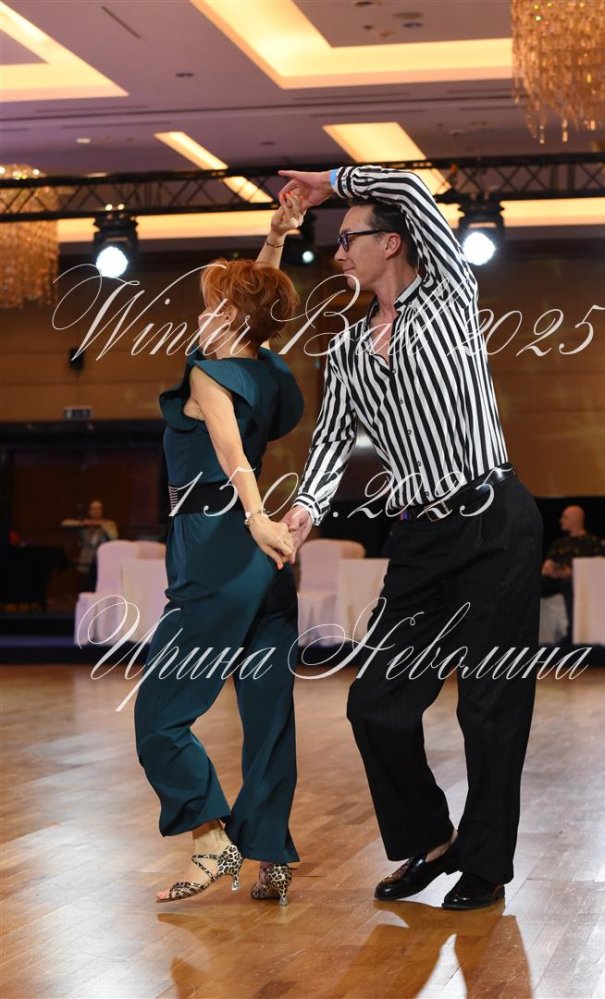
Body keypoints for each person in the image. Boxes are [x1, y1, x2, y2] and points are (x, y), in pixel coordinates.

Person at [279, 165, 543, 910]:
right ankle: (432, 841)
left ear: (391, 241)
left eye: (348, 239)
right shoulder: (347, 350)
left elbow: (411, 188)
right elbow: (331, 443)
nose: (337, 253)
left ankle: (485, 865)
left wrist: (332, 181)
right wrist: (304, 511)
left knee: (489, 705)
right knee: (376, 703)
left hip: (493, 523)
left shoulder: (450, 294)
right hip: (420, 538)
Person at [134, 193, 305, 906]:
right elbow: (258, 305)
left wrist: (257, 515)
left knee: (159, 714)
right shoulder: (267, 368)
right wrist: (276, 238)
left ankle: (212, 841)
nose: (199, 313)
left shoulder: (208, 373)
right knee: (268, 709)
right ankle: (271, 851)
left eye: (210, 305)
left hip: (219, 548)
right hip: (265, 562)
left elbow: (233, 455)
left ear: (230, 317)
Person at [542, 504, 603, 641]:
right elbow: (548, 563)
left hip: (578, 581)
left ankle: (572, 633)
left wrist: (573, 573)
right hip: (555, 579)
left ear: (575, 519)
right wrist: (550, 569)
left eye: (565, 517)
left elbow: (597, 568)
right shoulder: (559, 543)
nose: (561, 520)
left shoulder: (592, 542)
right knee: (533, 583)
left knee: (568, 584)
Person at [61, 499, 118, 590]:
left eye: (98, 509)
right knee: (85, 586)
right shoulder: (85, 524)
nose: (96, 511)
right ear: (89, 511)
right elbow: (64, 523)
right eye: (93, 509)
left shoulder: (109, 523)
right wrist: (82, 523)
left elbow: (114, 537)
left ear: (102, 511)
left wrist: (102, 525)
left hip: (101, 561)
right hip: (86, 560)